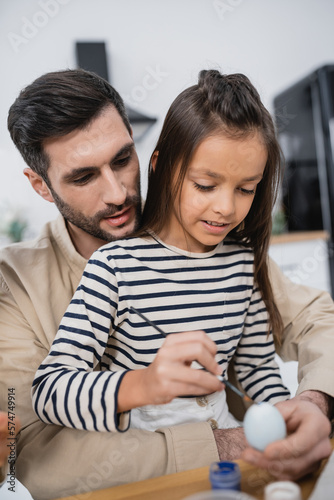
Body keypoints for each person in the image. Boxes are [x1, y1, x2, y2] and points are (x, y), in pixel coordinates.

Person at [1, 69, 332, 500]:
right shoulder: (27, 281)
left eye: (122, 159)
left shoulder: (229, 250)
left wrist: (302, 411)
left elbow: (296, 334)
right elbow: (30, 447)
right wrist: (147, 389)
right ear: (41, 185)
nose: (119, 193)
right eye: (83, 177)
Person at [32, 69, 291, 434]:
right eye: (205, 185)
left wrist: (288, 415)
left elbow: (257, 369)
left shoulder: (241, 261)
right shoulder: (113, 268)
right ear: (161, 166)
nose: (226, 208)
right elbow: (48, 392)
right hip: (149, 462)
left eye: (246, 189)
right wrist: (143, 384)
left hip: (230, 446)